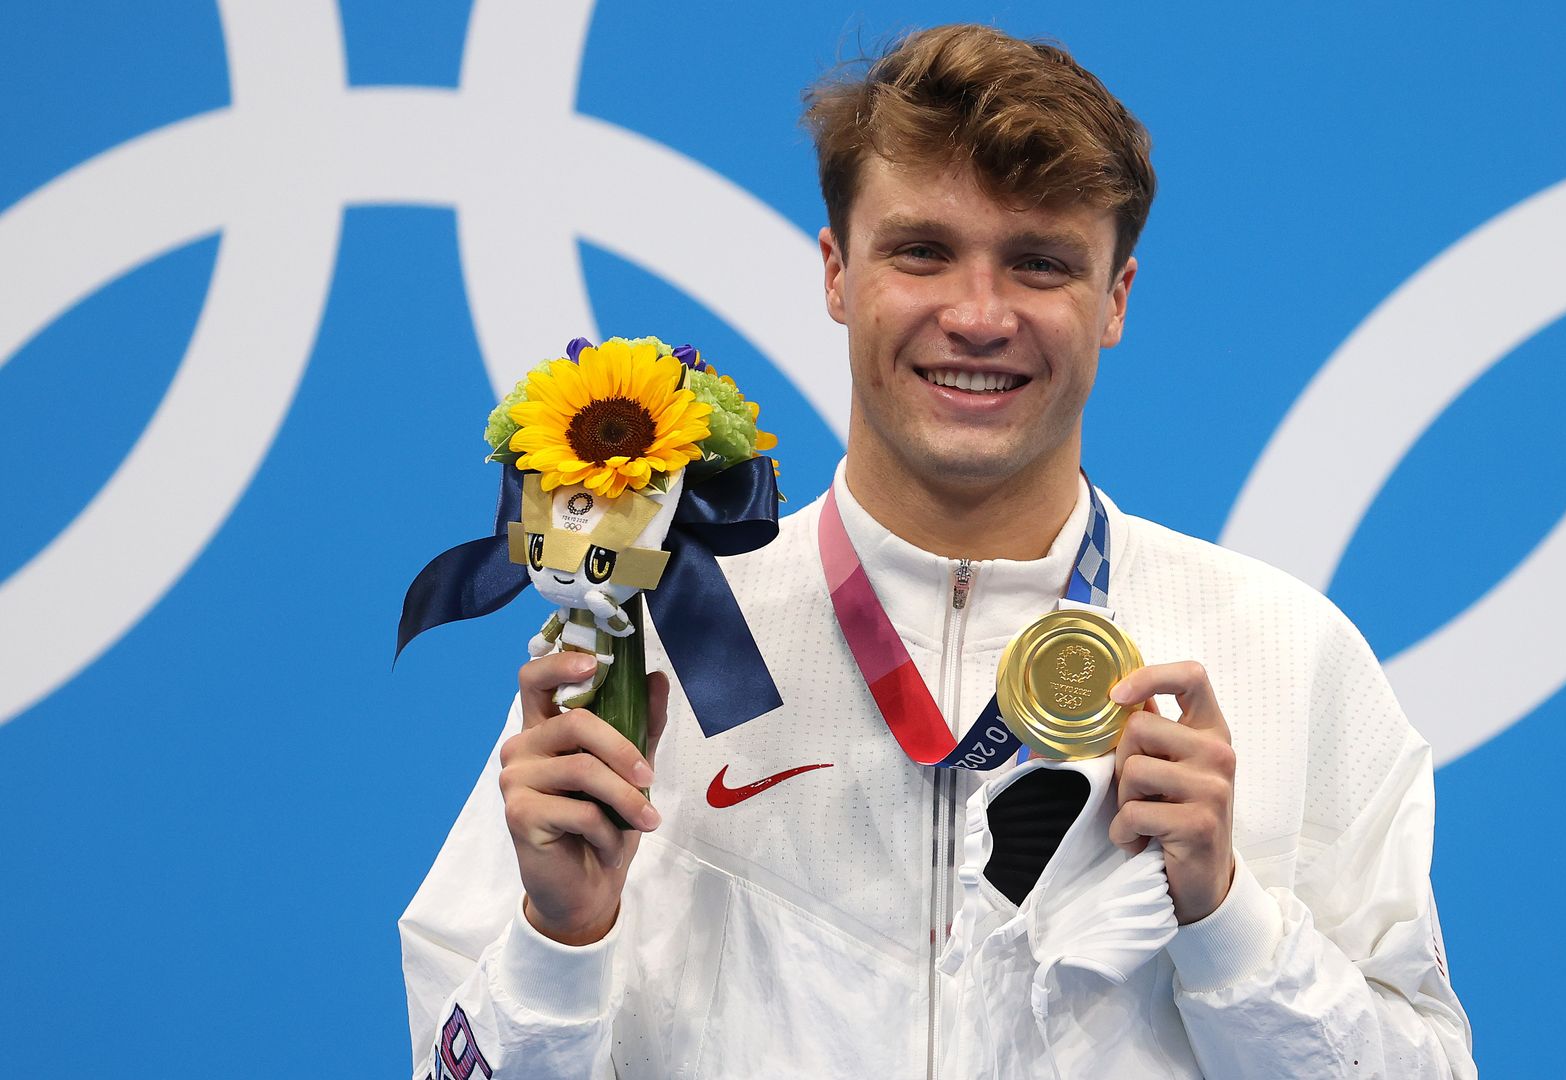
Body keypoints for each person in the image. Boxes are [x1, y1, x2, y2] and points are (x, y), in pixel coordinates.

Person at [402, 24, 1474, 1079]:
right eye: (922, 252)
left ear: (1116, 301)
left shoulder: (1285, 659)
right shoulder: (657, 647)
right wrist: (560, 942)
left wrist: (1231, 917)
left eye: (1040, 264)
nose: (977, 315)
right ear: (836, 272)